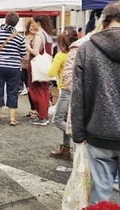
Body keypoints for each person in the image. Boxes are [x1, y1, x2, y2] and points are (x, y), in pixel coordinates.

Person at [71, 3, 120, 209]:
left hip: (98, 133)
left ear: (103, 21)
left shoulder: (87, 49)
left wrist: (78, 134)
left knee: (99, 196)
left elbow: (78, 96)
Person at [0, 12, 26, 126]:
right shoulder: (19, 37)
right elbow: (23, 53)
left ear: (5, 20)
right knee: (13, 91)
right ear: (16, 23)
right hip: (13, 67)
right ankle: (12, 119)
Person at [48, 29, 77, 160]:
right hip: (76, 90)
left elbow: (51, 72)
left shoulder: (60, 56)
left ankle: (78, 137)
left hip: (65, 90)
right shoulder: (78, 53)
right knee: (67, 119)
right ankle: (65, 149)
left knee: (58, 119)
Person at [26, 15, 54, 126]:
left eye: (34, 22)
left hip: (37, 66)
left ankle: (42, 116)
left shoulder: (39, 35)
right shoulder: (48, 35)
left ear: (39, 23)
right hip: (46, 66)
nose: (32, 24)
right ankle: (44, 115)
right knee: (45, 90)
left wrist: (28, 45)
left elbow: (35, 52)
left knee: (37, 92)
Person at [22, 21, 38, 117]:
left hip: (35, 67)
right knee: (28, 88)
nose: (32, 27)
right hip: (24, 66)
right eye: (30, 26)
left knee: (35, 88)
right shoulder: (24, 39)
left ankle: (37, 109)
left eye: (34, 26)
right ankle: (32, 108)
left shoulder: (38, 38)